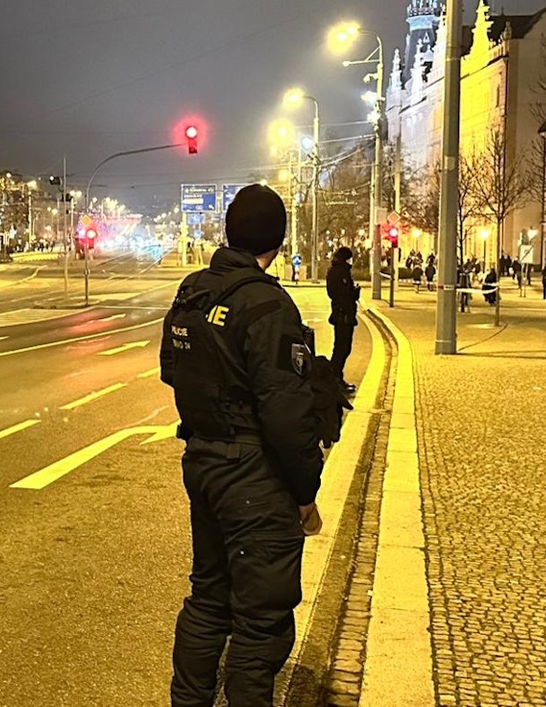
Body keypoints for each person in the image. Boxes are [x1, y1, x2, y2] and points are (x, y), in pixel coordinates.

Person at [162, 184, 332, 707]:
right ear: (278, 240)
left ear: (229, 231)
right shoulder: (268, 304)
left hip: (203, 463)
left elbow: (171, 370)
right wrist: (305, 492)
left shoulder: (192, 291)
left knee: (209, 598)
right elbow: (286, 414)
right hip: (255, 478)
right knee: (261, 623)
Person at [327, 246, 360, 394]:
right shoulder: (339, 272)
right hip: (343, 314)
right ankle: (334, 378)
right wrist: (353, 293)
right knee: (342, 347)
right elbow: (341, 294)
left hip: (342, 313)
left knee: (342, 347)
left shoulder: (337, 270)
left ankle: (336, 377)